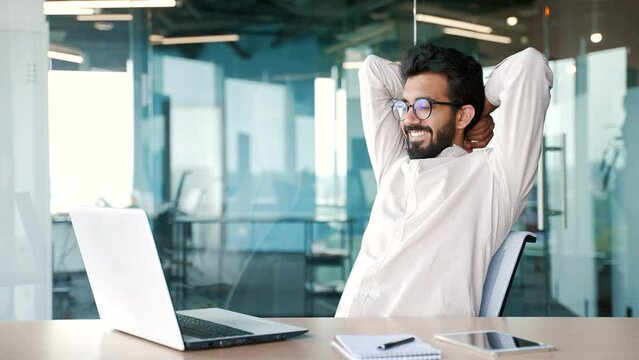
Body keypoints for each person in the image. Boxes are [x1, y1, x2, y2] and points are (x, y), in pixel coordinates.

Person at [335, 44, 553, 317]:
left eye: (425, 106)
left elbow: (529, 66)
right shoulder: (394, 164)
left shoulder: (495, 178)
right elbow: (372, 72)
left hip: (419, 346)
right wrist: (459, 107)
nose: (408, 119)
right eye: (406, 106)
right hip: (344, 336)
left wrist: (481, 106)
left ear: (462, 114)